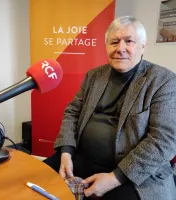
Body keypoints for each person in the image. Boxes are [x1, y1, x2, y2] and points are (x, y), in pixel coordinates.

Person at [44, 16, 176, 200]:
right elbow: (72, 112)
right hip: (81, 157)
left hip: (133, 173)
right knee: (37, 180)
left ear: (143, 46)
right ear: (106, 46)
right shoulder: (94, 76)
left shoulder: (163, 81)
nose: (120, 48)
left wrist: (115, 178)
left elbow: (164, 140)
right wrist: (66, 152)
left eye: (129, 41)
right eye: (114, 42)